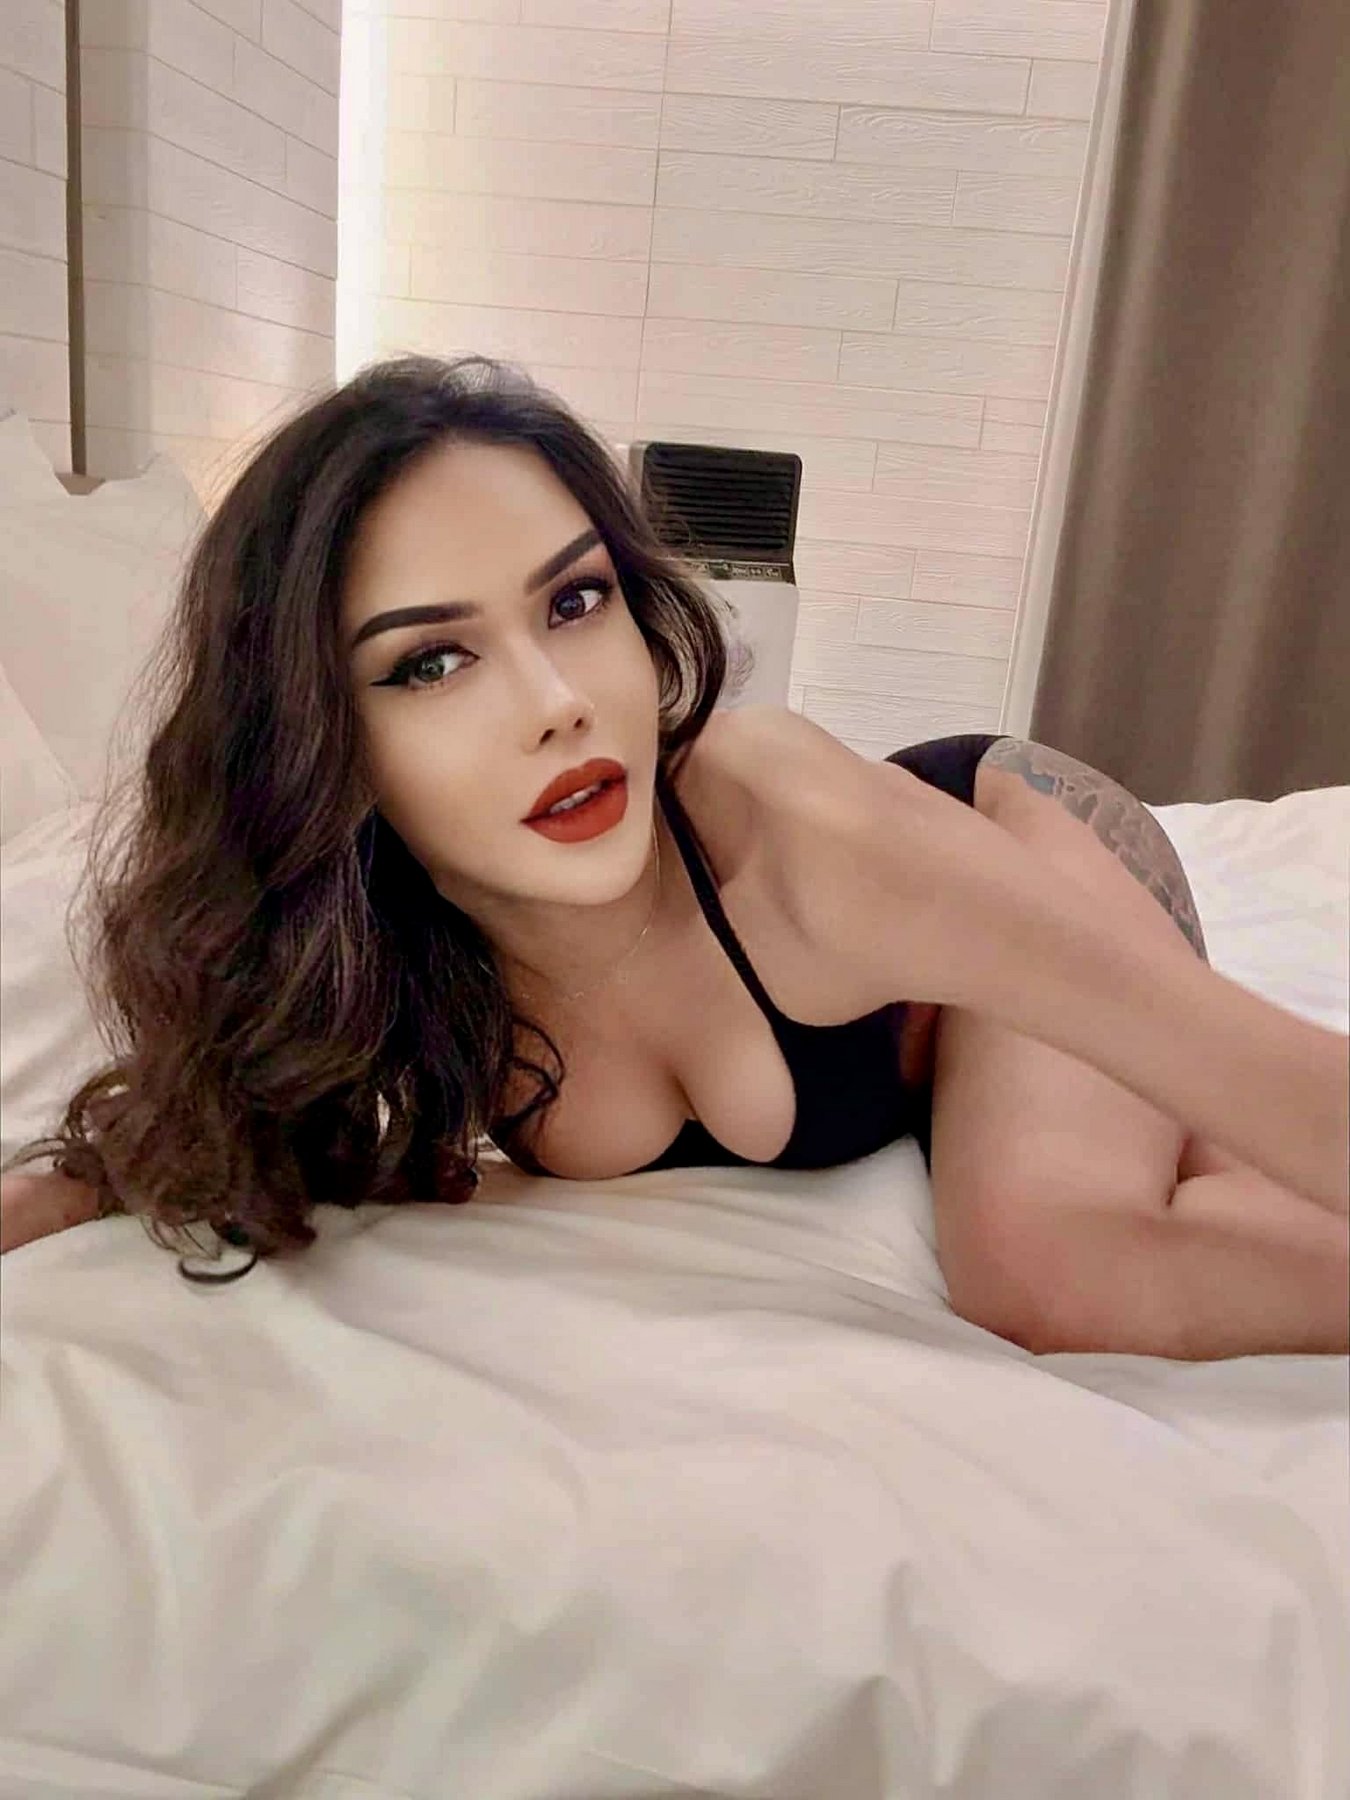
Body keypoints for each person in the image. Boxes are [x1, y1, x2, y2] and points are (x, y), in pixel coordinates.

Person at [2, 356, 1346, 1357]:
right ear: (314, 735)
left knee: (1052, 1271)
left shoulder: (814, 848)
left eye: (574, 601)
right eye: (433, 662)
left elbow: (1251, 1063)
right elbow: (210, 1127)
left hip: (1004, 832)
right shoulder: (379, 947)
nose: (557, 704)